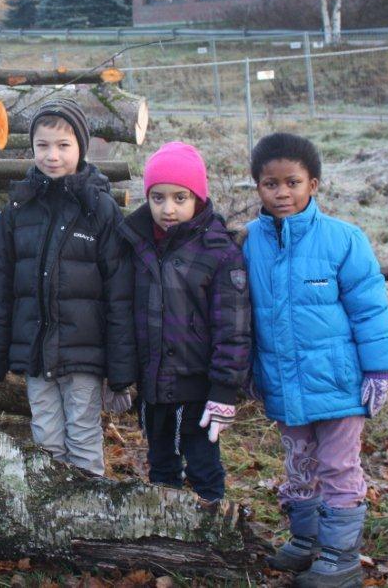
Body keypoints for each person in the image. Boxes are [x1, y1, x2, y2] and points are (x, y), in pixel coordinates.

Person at [243, 133, 388, 588]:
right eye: (270, 183)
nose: (281, 192)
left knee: (337, 467)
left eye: (292, 182)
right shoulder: (251, 242)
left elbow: (371, 310)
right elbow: (246, 315)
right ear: (257, 187)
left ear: (313, 184)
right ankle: (307, 540)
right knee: (298, 464)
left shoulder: (343, 240)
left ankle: (340, 556)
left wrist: (380, 369)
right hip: (283, 383)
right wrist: (251, 368)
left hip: (339, 385)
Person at [0, 98, 135, 475]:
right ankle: (54, 517)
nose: (52, 155)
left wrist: (121, 366)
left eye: (63, 146)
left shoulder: (99, 208)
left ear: (81, 147)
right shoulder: (19, 208)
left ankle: (91, 512)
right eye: (42, 146)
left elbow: (119, 291)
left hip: (83, 354)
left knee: (82, 434)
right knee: (45, 436)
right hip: (35, 352)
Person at [117, 141, 251, 505]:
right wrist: (122, 374)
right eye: (157, 198)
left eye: (180, 198)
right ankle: (166, 529)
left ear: (198, 199)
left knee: (204, 465)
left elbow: (233, 327)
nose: (168, 209)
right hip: (154, 382)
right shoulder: (138, 243)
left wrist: (224, 389)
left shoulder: (220, 252)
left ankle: (212, 529)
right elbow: (126, 312)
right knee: (160, 464)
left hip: (198, 387)